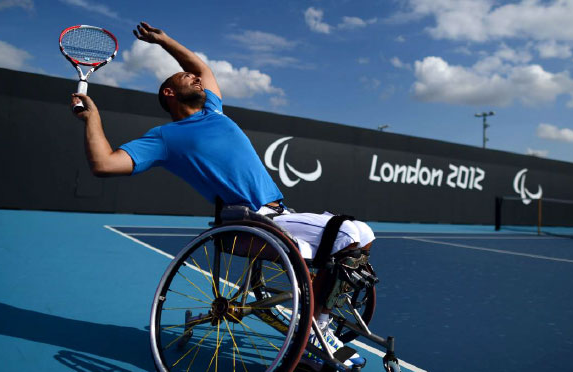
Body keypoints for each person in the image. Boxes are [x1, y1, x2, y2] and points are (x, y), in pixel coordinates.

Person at [71, 22, 374, 370]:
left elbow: (202, 68)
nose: (196, 79)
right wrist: (91, 118)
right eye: (185, 78)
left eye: (195, 78)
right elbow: (104, 164)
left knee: (349, 245)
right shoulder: (164, 138)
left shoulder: (212, 110)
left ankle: (313, 321)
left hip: (277, 216)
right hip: (253, 222)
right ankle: (313, 332)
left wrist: (163, 40)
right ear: (169, 93)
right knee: (356, 232)